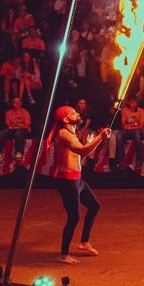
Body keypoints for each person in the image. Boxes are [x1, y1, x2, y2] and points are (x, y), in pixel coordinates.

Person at [50, 106, 108, 263]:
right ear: (66, 119)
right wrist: (100, 137)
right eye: (73, 113)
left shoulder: (72, 132)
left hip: (77, 180)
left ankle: (84, 242)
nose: (78, 114)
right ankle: (64, 254)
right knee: (74, 217)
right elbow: (83, 151)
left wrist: (95, 141)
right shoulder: (63, 134)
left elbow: (82, 153)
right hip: (67, 181)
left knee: (94, 206)